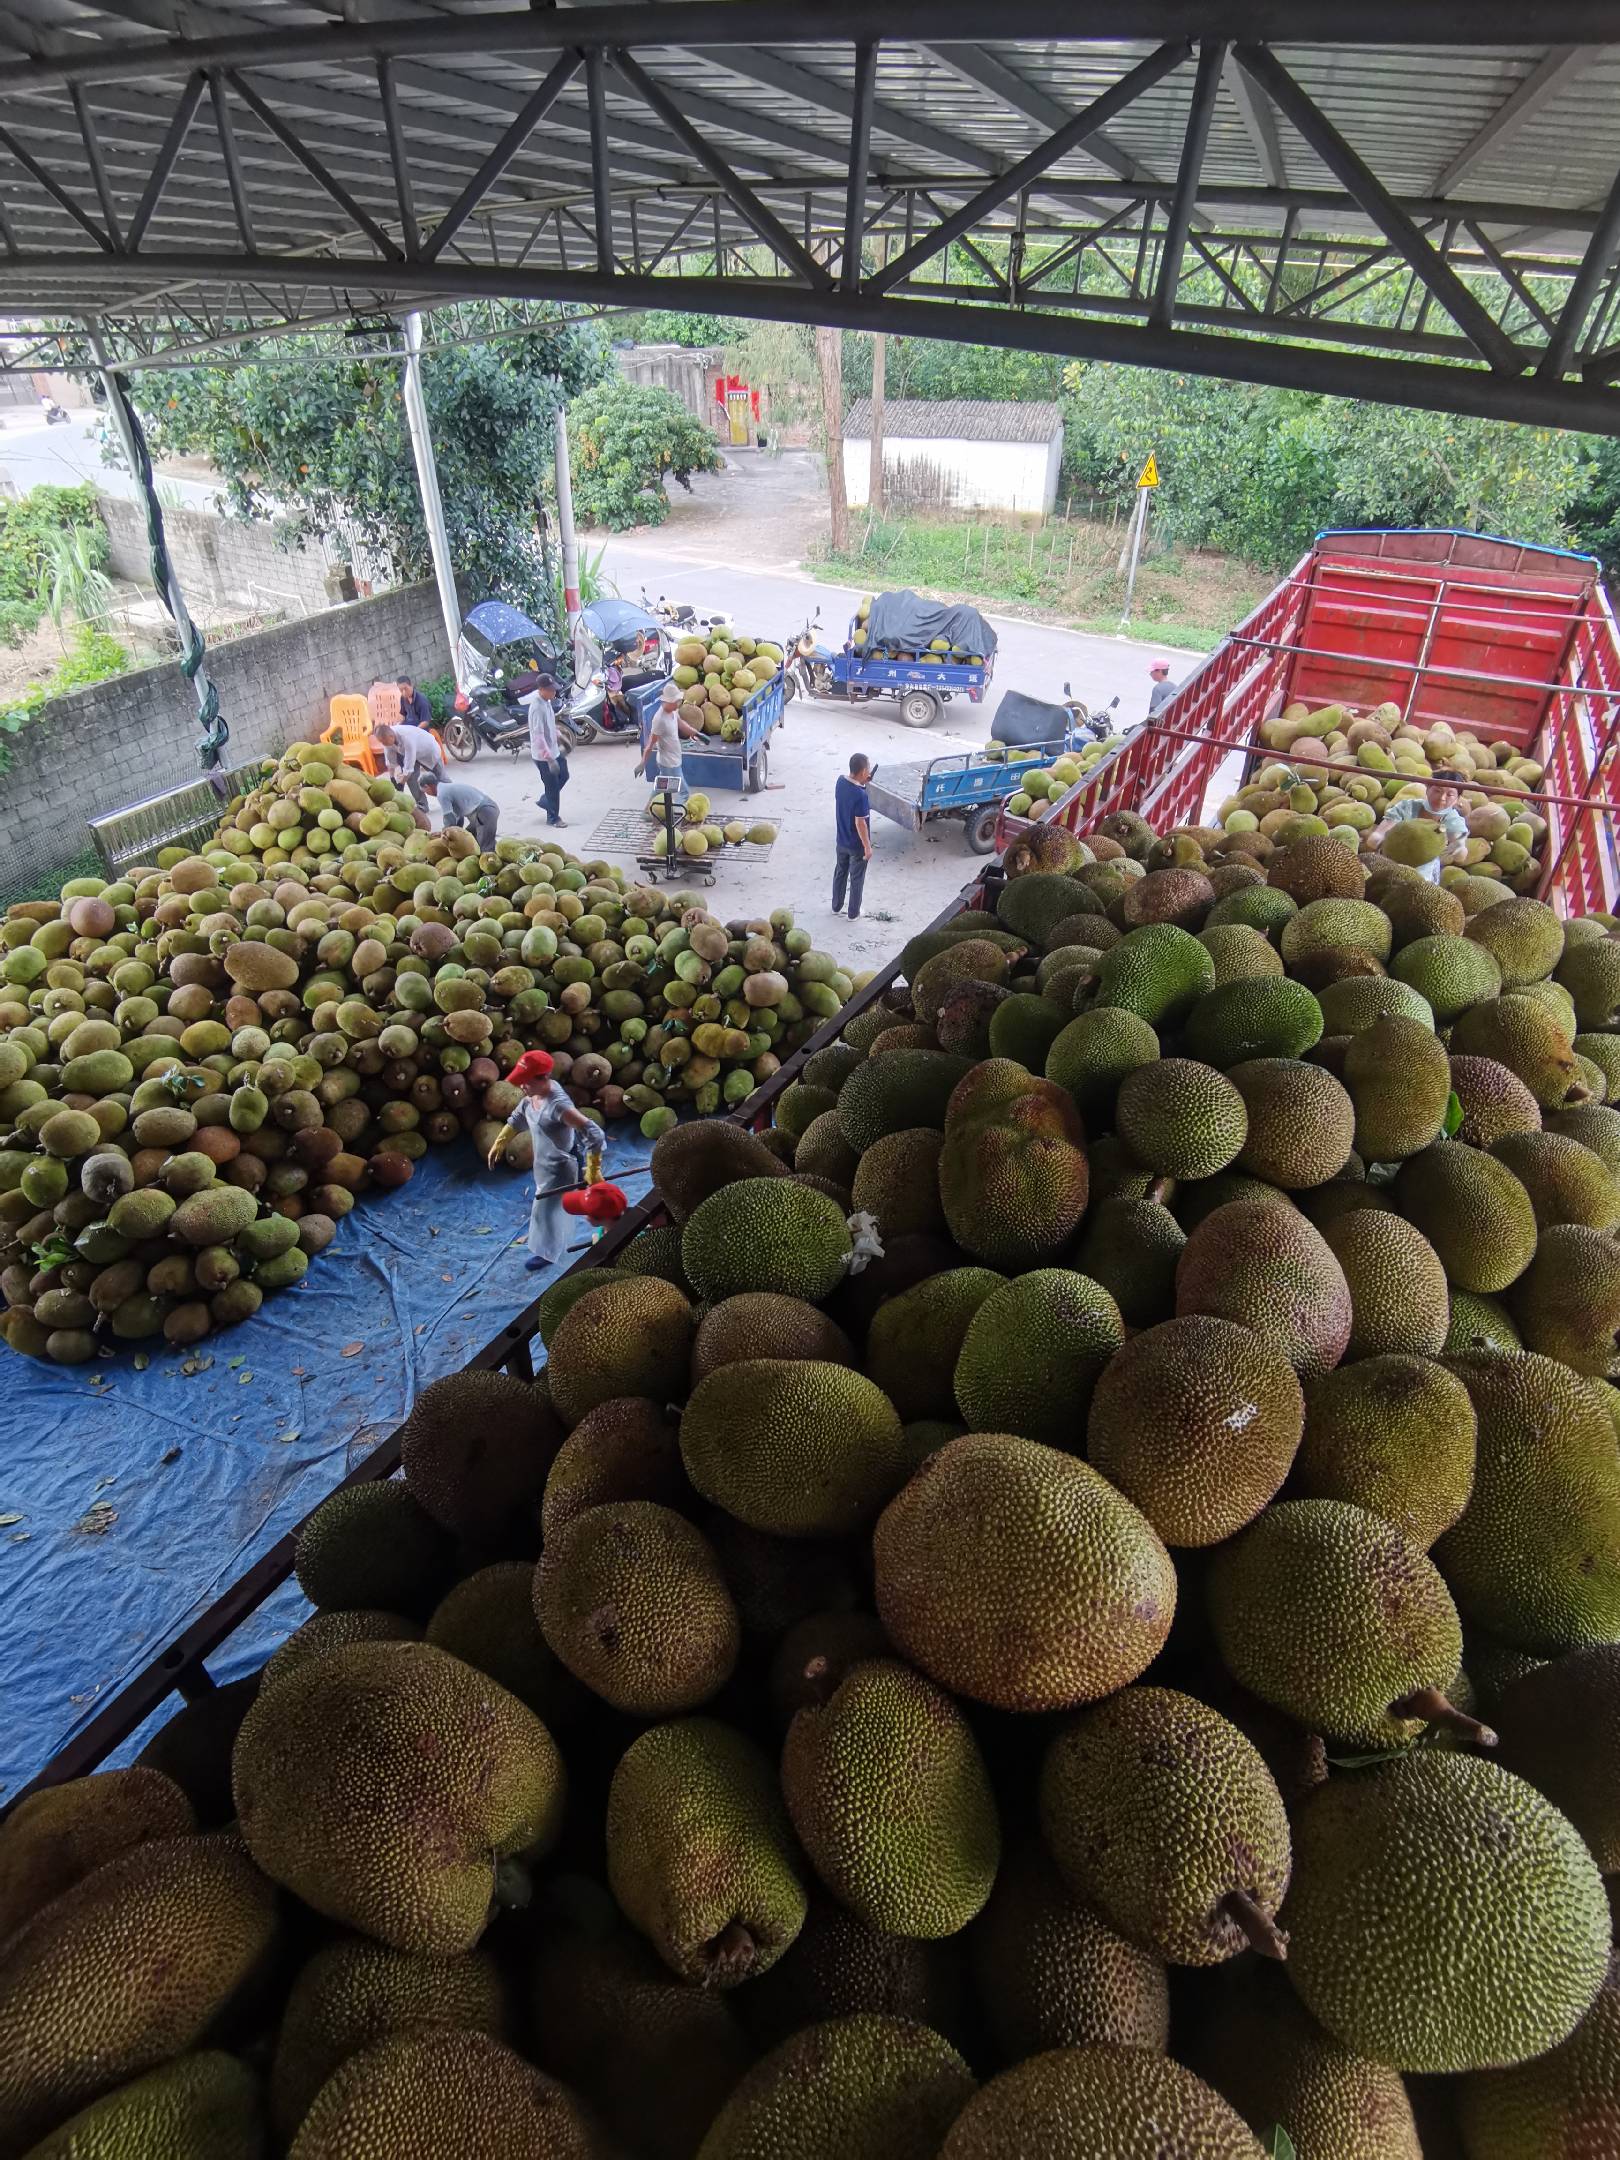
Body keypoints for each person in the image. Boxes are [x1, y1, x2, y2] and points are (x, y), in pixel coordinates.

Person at [485, 1048, 596, 1270]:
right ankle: (577, 1234)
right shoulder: (533, 1097)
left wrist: (593, 1167)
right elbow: (518, 1116)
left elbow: (592, 1132)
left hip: (563, 1163)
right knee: (555, 1207)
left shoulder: (559, 1106)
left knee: (544, 1211)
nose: (521, 1086)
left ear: (543, 1078)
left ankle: (548, 1252)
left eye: (526, 1081)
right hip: (544, 1162)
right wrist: (500, 1141)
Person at [1368, 769, 1471, 884]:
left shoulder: (1452, 820)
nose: (1442, 798)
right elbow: (1383, 829)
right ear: (1427, 789)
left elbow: (1461, 849)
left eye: (1450, 795)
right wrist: (1378, 836)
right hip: (1389, 862)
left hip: (1424, 874)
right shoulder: (1407, 807)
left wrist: (1459, 848)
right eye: (1437, 791)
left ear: (1457, 799)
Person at [634, 680, 701, 804]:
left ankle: (648, 812)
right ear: (668, 702)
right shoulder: (659, 719)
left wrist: (696, 733)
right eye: (675, 701)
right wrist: (642, 763)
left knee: (661, 788)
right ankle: (678, 818)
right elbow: (650, 745)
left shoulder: (673, 711)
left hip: (674, 759)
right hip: (669, 763)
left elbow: (681, 724)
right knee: (684, 792)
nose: (678, 704)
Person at [522, 672, 570, 827]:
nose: (553, 692)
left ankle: (545, 800)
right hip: (543, 756)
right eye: (550, 690)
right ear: (541, 689)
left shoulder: (547, 702)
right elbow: (538, 736)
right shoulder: (537, 708)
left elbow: (548, 725)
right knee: (552, 786)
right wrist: (549, 759)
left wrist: (559, 735)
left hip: (553, 750)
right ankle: (553, 818)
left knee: (564, 775)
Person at [372, 717, 445, 809]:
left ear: (391, 736)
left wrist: (401, 784)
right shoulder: (387, 740)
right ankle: (422, 804)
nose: (384, 744)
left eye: (384, 742)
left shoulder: (406, 738)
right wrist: (392, 778)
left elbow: (409, 767)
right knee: (411, 780)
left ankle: (454, 797)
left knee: (440, 777)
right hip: (414, 754)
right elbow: (390, 760)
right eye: (381, 742)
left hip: (428, 751)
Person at [833, 752, 873, 920]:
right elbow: (860, 823)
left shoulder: (840, 782)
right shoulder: (861, 795)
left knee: (840, 872)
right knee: (857, 878)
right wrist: (867, 846)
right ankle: (853, 913)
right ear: (863, 771)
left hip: (841, 840)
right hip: (856, 845)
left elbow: (849, 796)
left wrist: (862, 784)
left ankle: (836, 906)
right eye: (868, 769)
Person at [422, 774, 499, 851]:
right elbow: (457, 817)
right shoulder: (446, 788)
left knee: (485, 847)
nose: (427, 794)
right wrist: (455, 834)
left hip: (486, 811)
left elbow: (449, 817)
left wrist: (444, 833)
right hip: (485, 810)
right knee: (469, 838)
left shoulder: (442, 794)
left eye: (425, 791)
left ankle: (491, 857)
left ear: (427, 786)